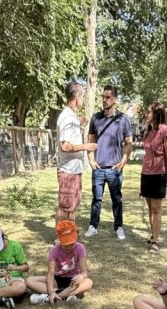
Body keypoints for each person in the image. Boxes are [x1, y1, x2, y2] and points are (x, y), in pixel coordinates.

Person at [84, 85, 133, 240]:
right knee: (96, 199)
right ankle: (93, 226)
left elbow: (129, 143)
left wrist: (122, 162)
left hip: (114, 169)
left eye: (108, 97)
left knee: (116, 200)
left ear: (115, 99)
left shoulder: (123, 119)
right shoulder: (95, 118)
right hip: (98, 167)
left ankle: (118, 227)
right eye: (103, 97)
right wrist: (91, 159)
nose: (104, 100)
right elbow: (90, 140)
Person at [56, 81, 98, 223]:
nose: (83, 100)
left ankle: (71, 235)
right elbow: (65, 146)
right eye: (83, 96)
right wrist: (86, 146)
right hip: (68, 172)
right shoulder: (67, 117)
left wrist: (80, 127)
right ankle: (60, 240)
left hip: (74, 170)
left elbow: (71, 140)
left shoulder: (72, 117)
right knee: (64, 207)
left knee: (72, 206)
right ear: (77, 96)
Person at [26, 220, 93, 306]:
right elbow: (50, 274)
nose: (69, 246)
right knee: (28, 280)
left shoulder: (80, 248)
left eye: (71, 243)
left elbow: (84, 273)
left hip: (73, 281)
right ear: (59, 239)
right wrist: (51, 290)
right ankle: (68, 294)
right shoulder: (54, 250)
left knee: (88, 282)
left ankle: (53, 296)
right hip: (57, 280)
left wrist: (81, 277)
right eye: (66, 243)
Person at [140, 102, 167, 252]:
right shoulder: (148, 131)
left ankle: (156, 241)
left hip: (159, 174)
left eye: (149, 112)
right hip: (146, 173)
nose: (146, 114)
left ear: (156, 114)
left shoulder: (165, 131)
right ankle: (153, 234)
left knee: (156, 208)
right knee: (149, 207)